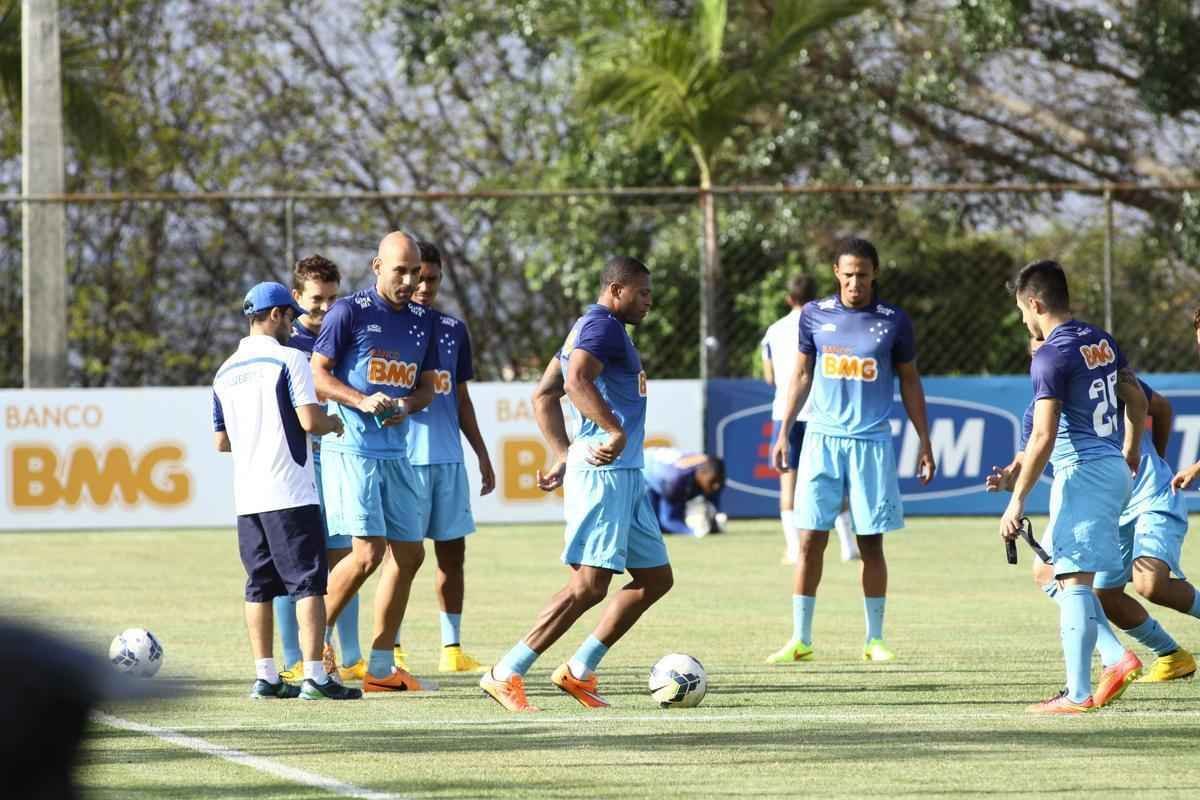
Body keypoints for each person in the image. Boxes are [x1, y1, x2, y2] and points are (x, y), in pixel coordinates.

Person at [480, 256, 671, 712]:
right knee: (588, 585)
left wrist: (564, 454)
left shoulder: (594, 329)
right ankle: (505, 671)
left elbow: (544, 392)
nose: (648, 301)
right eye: (641, 292)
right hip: (606, 471)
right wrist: (612, 430)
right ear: (617, 290)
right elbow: (574, 380)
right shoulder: (601, 326)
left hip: (621, 474)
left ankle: (579, 670)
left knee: (654, 579)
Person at [989, 338, 1194, 700]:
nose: (1048, 355)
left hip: (1146, 495)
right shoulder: (1035, 412)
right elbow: (1026, 458)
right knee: (1098, 593)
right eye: (1038, 350)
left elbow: (1158, 409)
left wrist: (1156, 462)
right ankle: (1167, 655)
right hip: (1107, 506)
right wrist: (1008, 481)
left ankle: (1108, 667)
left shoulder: (1110, 379)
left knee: (1151, 585)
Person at [766, 237, 935, 665]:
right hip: (821, 440)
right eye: (847, 274)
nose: (855, 282)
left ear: (874, 273)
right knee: (809, 541)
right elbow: (801, 375)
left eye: (862, 274)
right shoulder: (814, 315)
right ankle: (800, 639)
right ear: (836, 274)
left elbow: (910, 381)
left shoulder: (893, 321)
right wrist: (784, 430)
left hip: (871, 442)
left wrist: (924, 441)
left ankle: (874, 639)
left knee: (870, 544)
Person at [996, 260, 1146, 714]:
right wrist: (1131, 450)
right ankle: (1115, 659)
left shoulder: (1049, 355)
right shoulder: (1100, 339)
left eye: (1023, 311)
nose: (1024, 319)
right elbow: (1135, 396)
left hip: (1082, 472)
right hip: (1108, 468)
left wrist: (1016, 501)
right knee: (1052, 572)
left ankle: (1078, 693)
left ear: (1035, 304)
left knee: (1073, 580)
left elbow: (1042, 436)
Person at [211, 281, 359, 700]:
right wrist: (333, 423)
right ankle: (315, 675)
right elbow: (310, 421)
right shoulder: (290, 359)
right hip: (290, 492)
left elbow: (221, 442)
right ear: (274, 315)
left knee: (258, 585)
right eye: (290, 316)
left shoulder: (224, 371)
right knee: (309, 584)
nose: (294, 325)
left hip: (248, 497)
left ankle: (267, 676)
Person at [310, 232, 441, 692]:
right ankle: (313, 650)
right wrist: (362, 401)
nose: (408, 280)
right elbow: (318, 376)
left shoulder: (425, 322)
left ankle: (381, 667)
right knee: (367, 554)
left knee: (410, 553)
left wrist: (405, 407)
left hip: (396, 450)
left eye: (415, 271)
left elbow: (426, 387)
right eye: (399, 270)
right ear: (377, 266)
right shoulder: (349, 312)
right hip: (352, 449)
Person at [393, 240, 497, 674]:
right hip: (404, 460)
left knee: (452, 556)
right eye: (418, 276)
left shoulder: (454, 329)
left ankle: (451, 649)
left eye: (432, 278)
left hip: (449, 462)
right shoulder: (389, 326)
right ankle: (392, 647)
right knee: (401, 559)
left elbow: (461, 398)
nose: (423, 286)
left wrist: (482, 455)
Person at [271, 255, 367, 685]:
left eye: (332, 298)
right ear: (296, 298)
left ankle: (352, 655)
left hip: (341, 458)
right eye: (315, 300)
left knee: (346, 555)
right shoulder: (285, 349)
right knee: (297, 563)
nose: (326, 308)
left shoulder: (344, 340)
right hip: (299, 464)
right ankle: (294, 657)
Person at [762, 275, 858, 563]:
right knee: (833, 480)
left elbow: (769, 377)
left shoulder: (773, 331)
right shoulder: (827, 324)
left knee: (788, 481)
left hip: (786, 412)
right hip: (822, 410)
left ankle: (793, 548)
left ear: (789, 299)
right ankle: (848, 545)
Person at [641, 447, 725, 536]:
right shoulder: (676, 480)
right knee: (655, 527)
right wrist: (694, 532)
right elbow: (668, 521)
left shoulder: (709, 466)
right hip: (645, 474)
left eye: (720, 480)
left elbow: (714, 506)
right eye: (713, 481)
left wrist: (714, 523)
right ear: (701, 473)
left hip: (662, 470)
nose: (717, 486)